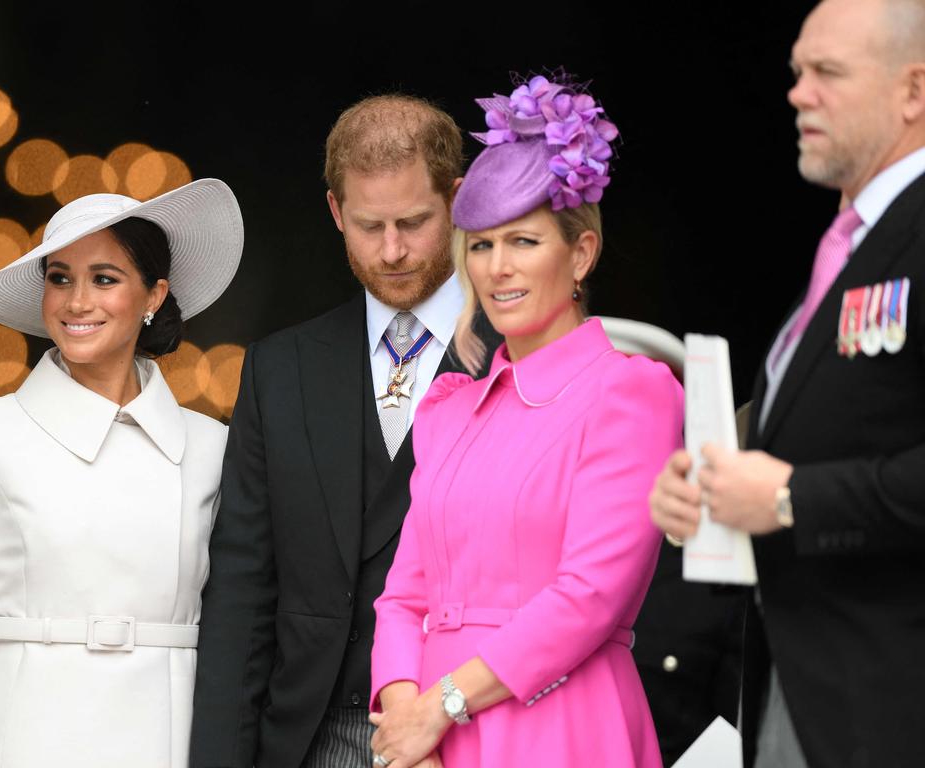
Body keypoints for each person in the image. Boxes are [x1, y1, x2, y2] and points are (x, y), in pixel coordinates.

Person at [368, 74, 684, 768]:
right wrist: (403, 727)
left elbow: (589, 598)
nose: (497, 268)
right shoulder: (450, 408)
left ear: (581, 254)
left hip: (560, 724)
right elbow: (401, 597)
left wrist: (441, 704)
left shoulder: (632, 392)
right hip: (429, 738)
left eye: (523, 242)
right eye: (480, 246)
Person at [649, 0, 925, 765]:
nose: (798, 93)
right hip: (801, 690)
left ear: (914, 91)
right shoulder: (854, 239)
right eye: (797, 71)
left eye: (828, 73)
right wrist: (709, 493)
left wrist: (786, 497)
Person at [190, 96, 493, 768]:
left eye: (414, 222)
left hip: (477, 731)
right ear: (334, 212)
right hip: (309, 737)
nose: (391, 251)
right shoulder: (279, 369)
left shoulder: (520, 355)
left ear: (461, 200)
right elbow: (243, 588)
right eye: (368, 225)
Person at [0, 179, 244, 768]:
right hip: (20, 735)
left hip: (169, 738)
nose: (75, 301)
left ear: (154, 295)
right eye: (60, 277)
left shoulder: (213, 446)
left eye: (105, 278)